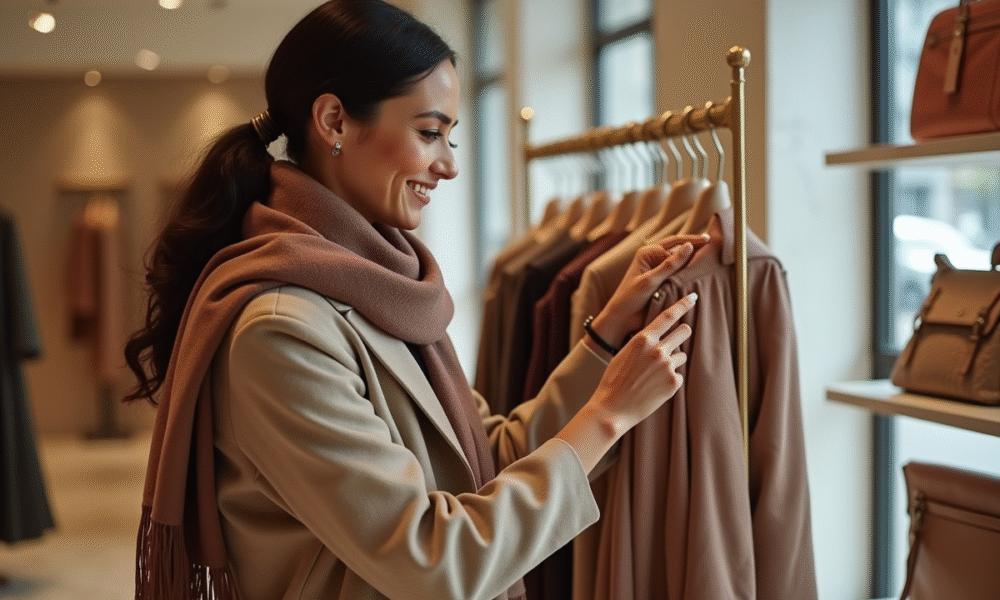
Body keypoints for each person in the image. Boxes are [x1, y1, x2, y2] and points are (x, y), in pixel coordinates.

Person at [123, 2, 705, 599]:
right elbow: (430, 560)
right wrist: (607, 415)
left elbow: (486, 459)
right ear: (334, 122)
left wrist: (605, 342)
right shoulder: (282, 329)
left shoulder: (384, 288)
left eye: (451, 137)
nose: (449, 165)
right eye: (429, 133)